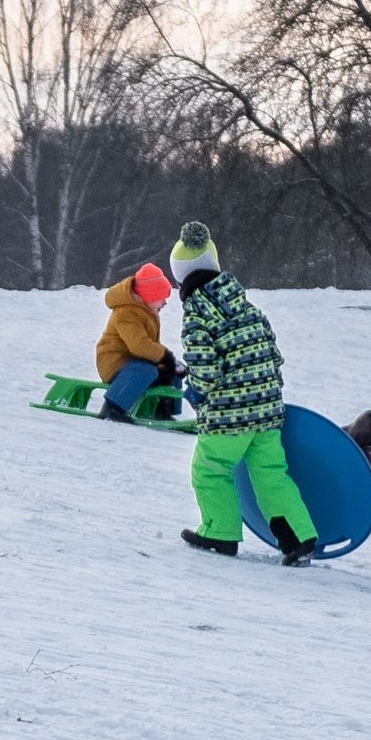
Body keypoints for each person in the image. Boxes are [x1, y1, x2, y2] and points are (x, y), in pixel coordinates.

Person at [169, 221, 318, 566]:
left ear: (181, 278)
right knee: (270, 474)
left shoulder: (196, 316)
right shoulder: (249, 307)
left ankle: (218, 532)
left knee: (210, 468)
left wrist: (196, 393)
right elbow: (273, 354)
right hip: (267, 412)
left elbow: (206, 370)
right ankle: (299, 537)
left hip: (227, 417)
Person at [94, 261, 188, 422]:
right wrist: (166, 356)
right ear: (149, 296)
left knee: (171, 372)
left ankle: (162, 411)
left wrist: (169, 363)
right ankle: (112, 408)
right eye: (161, 298)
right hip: (114, 362)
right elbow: (139, 345)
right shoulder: (126, 312)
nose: (164, 303)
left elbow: (148, 345)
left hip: (135, 361)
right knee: (147, 370)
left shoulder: (147, 311)